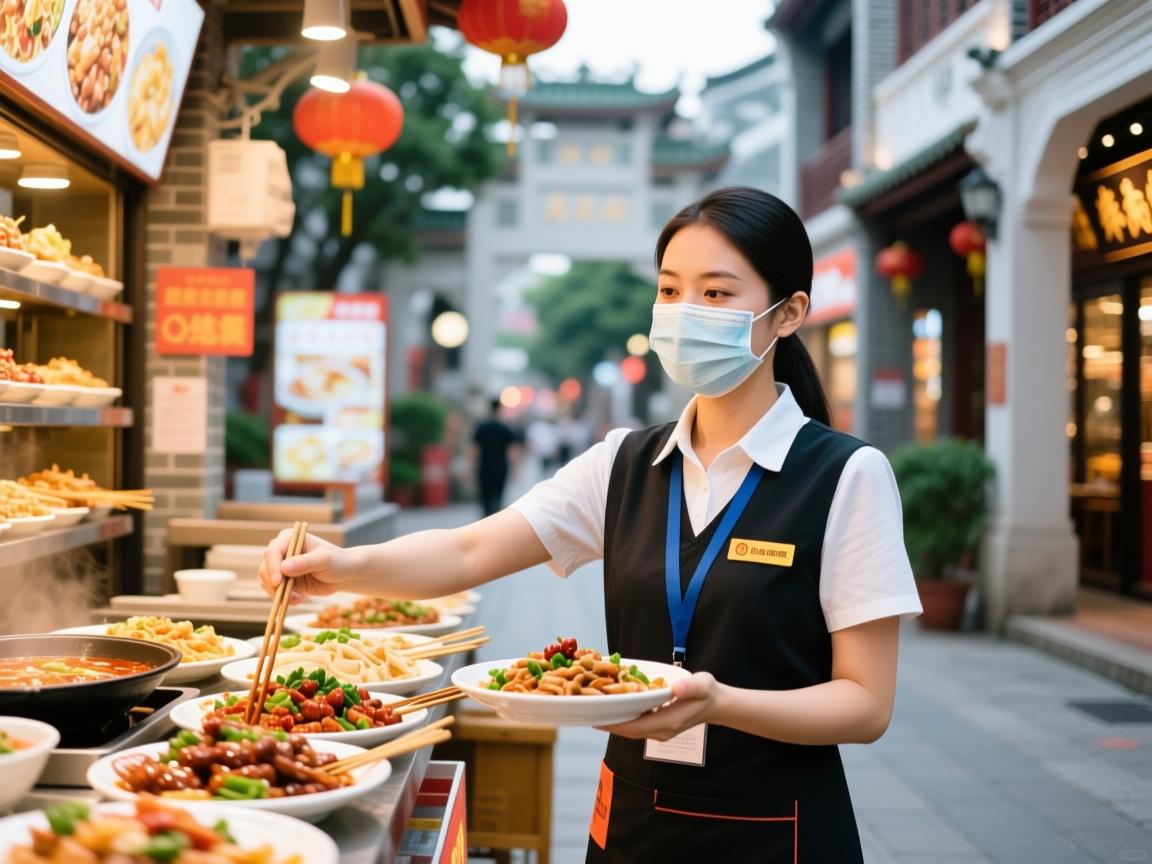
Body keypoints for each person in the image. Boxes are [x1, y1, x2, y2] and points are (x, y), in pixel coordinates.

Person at [261, 186, 922, 863]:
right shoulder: (624, 463)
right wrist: (345, 565)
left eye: (717, 294)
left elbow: (865, 705)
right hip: (631, 820)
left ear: (790, 313)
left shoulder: (847, 476)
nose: (685, 312)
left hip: (776, 830)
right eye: (669, 290)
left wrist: (719, 703)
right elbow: (467, 550)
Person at [470, 398, 517, 517]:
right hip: (501, 467)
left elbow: (474, 450)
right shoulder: (505, 428)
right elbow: (511, 451)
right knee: (498, 495)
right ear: (500, 409)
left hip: (484, 466)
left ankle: (485, 518)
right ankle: (495, 518)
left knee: (485, 496)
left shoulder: (482, 427)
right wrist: (515, 470)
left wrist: (471, 467)